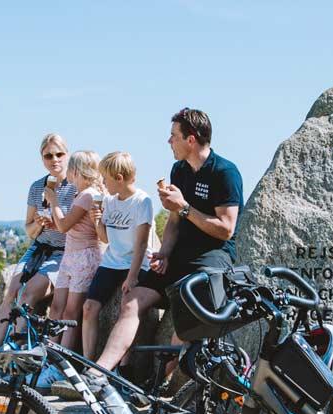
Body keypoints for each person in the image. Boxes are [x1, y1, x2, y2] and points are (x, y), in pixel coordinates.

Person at [92, 108, 242, 376]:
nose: (168, 141)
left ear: (191, 140)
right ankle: (101, 372)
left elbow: (226, 229)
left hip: (210, 259)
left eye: (173, 136)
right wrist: (164, 253)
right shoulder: (179, 170)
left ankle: (159, 387)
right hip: (179, 256)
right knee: (132, 300)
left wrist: (184, 207)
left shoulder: (225, 172)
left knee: (187, 321)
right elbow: (174, 222)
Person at [0, 133, 78, 381]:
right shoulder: (37, 187)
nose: (54, 160)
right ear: (42, 158)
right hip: (39, 247)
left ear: (67, 155)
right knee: (12, 293)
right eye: (48, 155)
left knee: (28, 295)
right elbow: (28, 229)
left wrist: (56, 220)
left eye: (59, 154)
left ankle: (14, 360)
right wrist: (39, 224)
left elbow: (78, 228)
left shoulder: (76, 186)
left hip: (65, 252)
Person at [82, 151, 155, 360]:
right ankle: (89, 362)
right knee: (89, 307)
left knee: (126, 313)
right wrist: (97, 221)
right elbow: (105, 238)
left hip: (135, 263)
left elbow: (141, 243)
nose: (103, 183)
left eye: (105, 178)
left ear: (119, 178)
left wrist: (132, 277)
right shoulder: (110, 201)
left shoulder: (143, 201)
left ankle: (123, 368)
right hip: (111, 262)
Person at [50, 151, 106, 352]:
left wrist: (53, 201)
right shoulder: (81, 194)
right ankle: (49, 351)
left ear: (76, 171)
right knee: (57, 307)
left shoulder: (88, 195)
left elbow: (65, 226)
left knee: (71, 312)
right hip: (70, 256)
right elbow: (72, 226)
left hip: (84, 257)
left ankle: (61, 358)